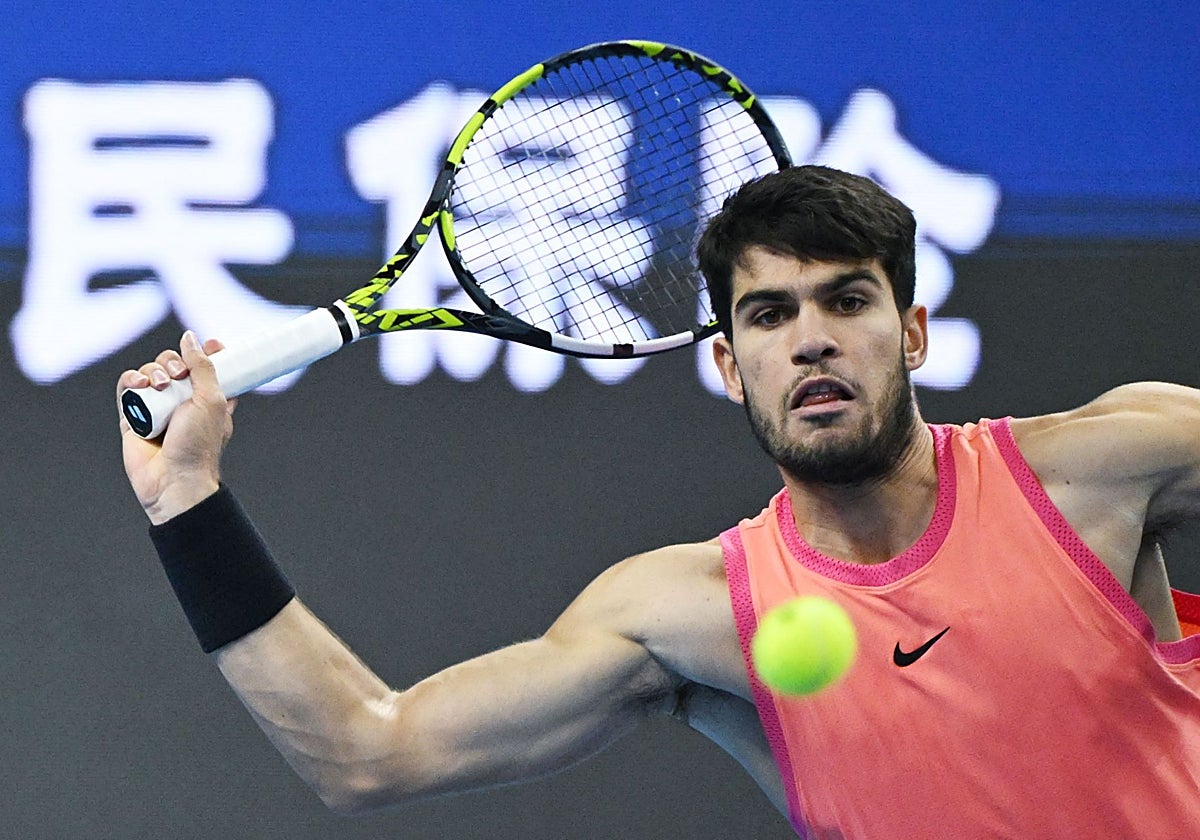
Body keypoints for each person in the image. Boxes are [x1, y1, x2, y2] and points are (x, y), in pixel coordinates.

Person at [117, 165, 1200, 838]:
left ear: (910, 333)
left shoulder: (1096, 471)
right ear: (730, 364)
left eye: (848, 300)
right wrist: (190, 502)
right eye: (770, 315)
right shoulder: (689, 617)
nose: (812, 338)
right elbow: (367, 751)